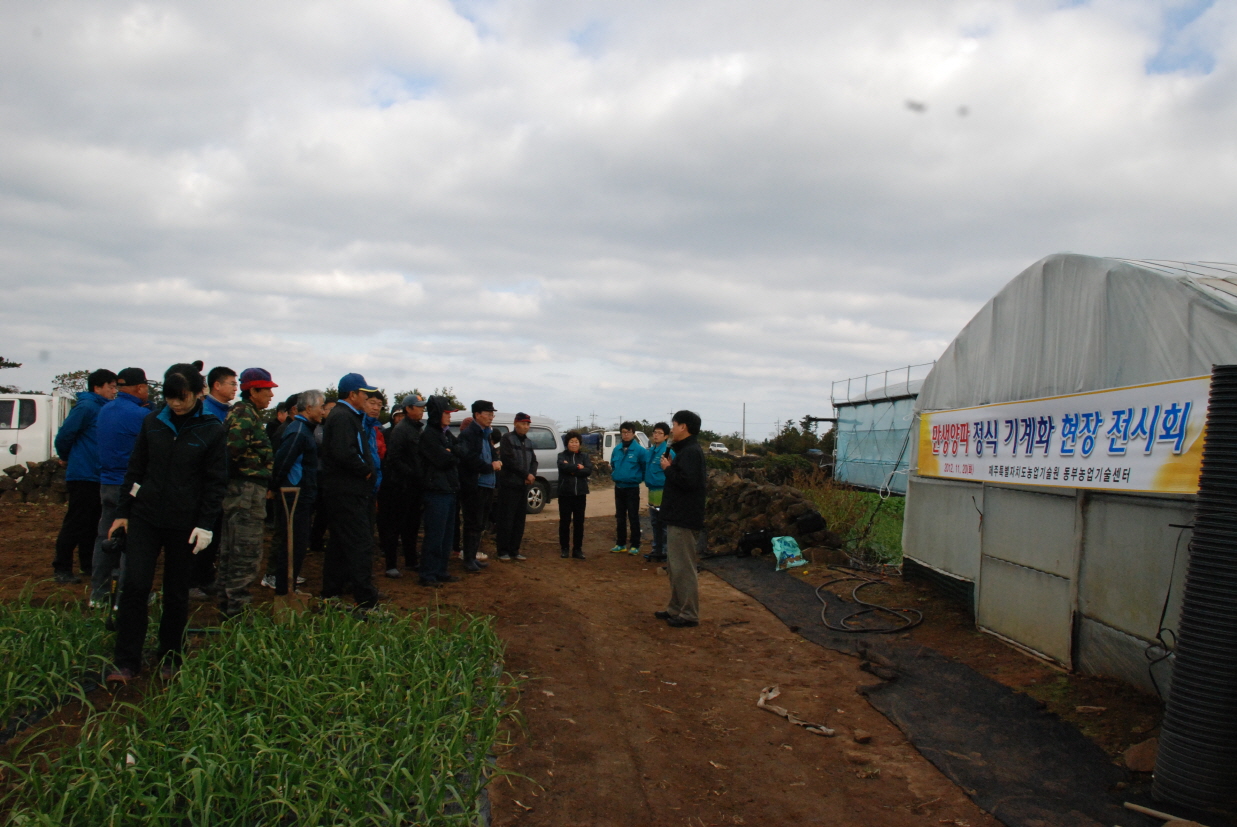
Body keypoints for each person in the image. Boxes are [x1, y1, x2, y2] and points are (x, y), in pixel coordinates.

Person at [105, 363, 227, 681]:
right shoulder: (152, 423)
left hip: (184, 523)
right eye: (171, 398)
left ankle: (171, 656)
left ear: (197, 392)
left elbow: (215, 483)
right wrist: (122, 513)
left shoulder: (211, 429)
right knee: (135, 585)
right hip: (145, 517)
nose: (176, 404)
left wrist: (206, 524)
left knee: (176, 591)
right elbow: (136, 470)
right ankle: (127, 661)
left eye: (182, 398)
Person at [216, 367, 277, 618]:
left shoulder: (245, 413)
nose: (271, 396)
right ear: (253, 391)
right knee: (245, 550)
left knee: (233, 550)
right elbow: (231, 452)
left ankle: (227, 605)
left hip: (245, 490)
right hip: (245, 491)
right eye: (267, 391)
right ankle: (237, 610)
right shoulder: (244, 415)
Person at [88, 368, 151, 607]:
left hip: (106, 481)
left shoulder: (105, 410)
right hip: (130, 485)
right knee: (131, 541)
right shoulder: (140, 415)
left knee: (105, 538)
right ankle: (125, 596)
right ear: (138, 388)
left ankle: (99, 593)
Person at [320, 373, 381, 609]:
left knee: (339, 543)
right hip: (347, 491)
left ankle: (331, 593)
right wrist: (365, 470)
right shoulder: (343, 416)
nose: (367, 398)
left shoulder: (347, 415)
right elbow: (344, 451)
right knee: (360, 543)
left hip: (346, 490)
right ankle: (366, 601)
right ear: (352, 394)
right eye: (364, 394)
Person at [52, 369, 118, 583]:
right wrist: (67, 456)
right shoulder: (87, 406)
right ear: (97, 387)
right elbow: (64, 435)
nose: (114, 391)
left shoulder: (102, 408)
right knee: (76, 522)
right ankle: (62, 568)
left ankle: (88, 565)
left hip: (97, 474)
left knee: (92, 524)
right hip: (83, 475)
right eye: (111, 386)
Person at [269, 390, 325, 595]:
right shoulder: (299, 431)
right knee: (293, 543)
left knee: (299, 543)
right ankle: (285, 591)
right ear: (309, 408)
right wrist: (276, 487)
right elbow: (283, 461)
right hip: (294, 496)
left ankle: (288, 587)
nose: (323, 411)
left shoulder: (304, 429)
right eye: (320, 407)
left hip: (302, 494)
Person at [655, 411, 708, 629]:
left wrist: (668, 469)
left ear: (683, 427)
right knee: (674, 566)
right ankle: (675, 608)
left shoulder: (691, 453)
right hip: (677, 515)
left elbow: (688, 483)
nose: (672, 429)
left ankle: (689, 613)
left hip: (684, 518)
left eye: (674, 425)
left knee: (683, 567)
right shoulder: (684, 451)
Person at [192, 366, 236, 596]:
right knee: (204, 527)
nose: (235, 388)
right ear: (216, 385)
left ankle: (205, 576)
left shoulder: (225, 411)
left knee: (215, 530)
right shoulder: (207, 411)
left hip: (218, 481)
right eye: (231, 383)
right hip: (205, 483)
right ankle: (195, 580)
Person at [380, 394, 426, 577]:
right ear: (408, 409)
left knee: (412, 525)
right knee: (394, 526)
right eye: (419, 407)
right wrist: (412, 473)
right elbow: (394, 459)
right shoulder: (401, 430)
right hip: (399, 487)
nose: (422, 410)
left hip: (414, 486)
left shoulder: (417, 429)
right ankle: (391, 565)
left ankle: (411, 560)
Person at [418, 395, 461, 587]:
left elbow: (460, 451)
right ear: (437, 414)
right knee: (435, 535)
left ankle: (441, 570)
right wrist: (450, 453)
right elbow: (443, 459)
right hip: (436, 491)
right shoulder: (429, 435)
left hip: (448, 489)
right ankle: (428, 574)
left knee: (446, 535)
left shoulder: (444, 433)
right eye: (447, 412)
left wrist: (451, 453)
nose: (450, 416)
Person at [457, 401, 501, 573]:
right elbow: (470, 460)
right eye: (488, 413)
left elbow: (490, 454)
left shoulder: (485, 434)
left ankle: (472, 556)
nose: (491, 417)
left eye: (492, 414)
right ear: (477, 414)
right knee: (472, 522)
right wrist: (490, 466)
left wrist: (495, 461)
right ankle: (468, 558)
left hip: (487, 484)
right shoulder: (469, 435)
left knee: (480, 523)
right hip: (475, 485)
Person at [495, 412, 538, 561]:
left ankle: (515, 549)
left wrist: (531, 474)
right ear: (515, 423)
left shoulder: (529, 442)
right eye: (523, 423)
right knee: (506, 518)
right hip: (509, 485)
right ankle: (503, 550)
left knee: (519, 519)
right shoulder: (507, 439)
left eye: (528, 424)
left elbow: (534, 461)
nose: (526, 426)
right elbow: (508, 460)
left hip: (522, 486)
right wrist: (525, 474)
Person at [609, 421, 648, 555]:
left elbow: (644, 467)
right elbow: (613, 465)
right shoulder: (617, 449)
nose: (625, 435)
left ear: (633, 433)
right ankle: (620, 544)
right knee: (620, 517)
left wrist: (636, 478)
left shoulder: (640, 451)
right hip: (618, 487)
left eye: (628, 432)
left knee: (633, 516)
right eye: (623, 433)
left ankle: (635, 544)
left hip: (632, 488)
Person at [556, 431, 592, 559]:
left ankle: (577, 549)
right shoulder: (561, 455)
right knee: (565, 522)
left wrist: (572, 469)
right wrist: (578, 468)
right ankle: (564, 548)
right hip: (565, 493)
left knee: (579, 522)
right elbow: (563, 468)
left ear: (580, 443)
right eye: (571, 441)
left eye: (576, 441)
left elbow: (588, 470)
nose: (574, 444)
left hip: (580, 494)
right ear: (567, 443)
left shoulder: (584, 456)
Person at [644, 423, 671, 563]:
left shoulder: (668, 452)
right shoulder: (651, 451)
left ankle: (665, 551)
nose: (656, 435)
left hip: (663, 491)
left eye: (660, 433)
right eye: (655, 432)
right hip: (652, 491)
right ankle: (657, 549)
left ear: (666, 436)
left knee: (664, 524)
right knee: (654, 522)